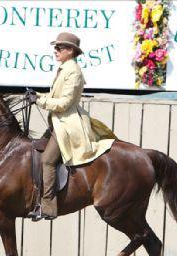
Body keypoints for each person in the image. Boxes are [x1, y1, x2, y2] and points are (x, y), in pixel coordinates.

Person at [27, 32, 115, 220]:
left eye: (59, 47)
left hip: (67, 124)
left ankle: (48, 207)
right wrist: (37, 95)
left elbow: (64, 103)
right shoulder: (64, 69)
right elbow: (55, 97)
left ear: (71, 51)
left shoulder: (73, 71)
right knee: (35, 152)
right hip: (58, 121)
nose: (55, 50)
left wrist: (40, 101)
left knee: (48, 160)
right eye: (56, 47)